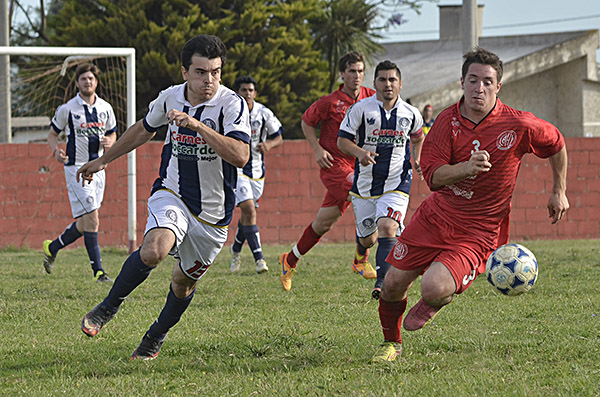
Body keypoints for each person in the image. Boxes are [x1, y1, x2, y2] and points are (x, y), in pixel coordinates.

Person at [371, 47, 569, 363]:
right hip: (436, 217)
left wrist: (559, 190)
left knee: (433, 287)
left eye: (487, 82)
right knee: (392, 284)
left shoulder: (519, 125)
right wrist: (466, 167)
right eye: (473, 80)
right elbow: (433, 178)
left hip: (479, 231)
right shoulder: (445, 122)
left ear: (498, 86)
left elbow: (557, 142)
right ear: (462, 82)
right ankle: (390, 344)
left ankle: (434, 301)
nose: (479, 88)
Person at [76, 35, 251, 360]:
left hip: (213, 217)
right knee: (155, 249)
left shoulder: (231, 104)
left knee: (182, 284)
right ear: (185, 71)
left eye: (215, 72)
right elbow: (144, 128)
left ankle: (156, 335)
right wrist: (103, 160)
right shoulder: (170, 97)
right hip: (173, 193)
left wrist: (199, 126)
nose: (209, 80)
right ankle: (107, 307)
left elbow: (240, 155)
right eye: (201, 72)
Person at [279, 51, 376, 291]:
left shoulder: (371, 98)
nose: (357, 76)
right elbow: (306, 121)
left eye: (360, 71)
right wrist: (317, 149)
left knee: (323, 224)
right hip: (335, 165)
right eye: (352, 71)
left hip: (360, 165)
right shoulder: (329, 102)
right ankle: (360, 260)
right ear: (342, 74)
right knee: (364, 196)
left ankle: (289, 260)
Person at [337, 60, 424, 300]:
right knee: (369, 238)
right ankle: (360, 250)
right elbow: (341, 141)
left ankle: (382, 283)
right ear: (374, 83)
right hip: (365, 185)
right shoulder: (361, 109)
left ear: (400, 84)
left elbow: (418, 137)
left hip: (397, 182)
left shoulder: (410, 113)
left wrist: (417, 160)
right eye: (383, 80)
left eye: (392, 80)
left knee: (387, 227)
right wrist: (360, 153)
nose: (388, 84)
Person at [43, 63, 117, 283]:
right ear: (77, 83)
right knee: (93, 218)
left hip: (99, 168)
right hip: (76, 169)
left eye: (91, 79)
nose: (88, 82)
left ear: (96, 82)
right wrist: (56, 151)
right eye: (83, 79)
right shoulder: (68, 108)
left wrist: (110, 142)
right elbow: (51, 135)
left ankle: (52, 247)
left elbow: (113, 134)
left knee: (86, 223)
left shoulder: (106, 108)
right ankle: (99, 272)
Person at [229, 76, 283, 274]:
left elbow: (278, 137)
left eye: (251, 90)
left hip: (258, 171)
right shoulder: (230, 111)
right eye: (243, 90)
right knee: (249, 209)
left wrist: (268, 144)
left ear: (255, 93)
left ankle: (235, 251)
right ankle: (259, 259)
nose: (247, 93)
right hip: (238, 169)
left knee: (247, 215)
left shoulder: (263, 113)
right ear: (237, 93)